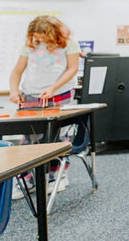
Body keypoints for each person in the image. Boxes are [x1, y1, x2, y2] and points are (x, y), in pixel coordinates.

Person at [8, 15, 80, 197]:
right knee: (28, 139)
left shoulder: (69, 43)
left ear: (54, 33)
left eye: (43, 37)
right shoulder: (30, 45)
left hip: (59, 94)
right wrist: (14, 90)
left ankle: (57, 177)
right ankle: (28, 180)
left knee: (56, 137)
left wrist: (53, 88)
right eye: (36, 37)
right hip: (32, 94)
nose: (39, 41)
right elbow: (17, 71)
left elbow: (72, 69)